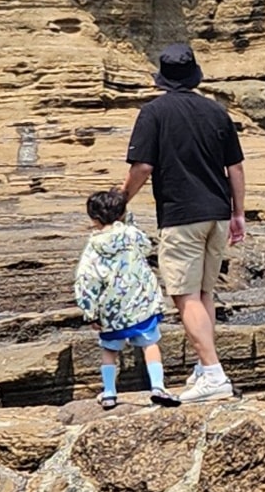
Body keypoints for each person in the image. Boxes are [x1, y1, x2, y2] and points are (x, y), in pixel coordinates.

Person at [119, 43, 247, 404]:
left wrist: (119, 203)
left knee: (184, 295)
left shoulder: (154, 113)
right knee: (205, 294)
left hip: (182, 215)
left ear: (162, 79)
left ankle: (213, 373)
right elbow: (234, 168)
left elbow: (143, 168)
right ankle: (204, 368)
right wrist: (239, 213)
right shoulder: (215, 112)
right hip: (218, 213)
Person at [74, 191, 171, 408]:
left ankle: (109, 392)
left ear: (93, 218)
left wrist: (89, 312)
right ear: (122, 214)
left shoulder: (93, 247)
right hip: (141, 304)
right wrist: (130, 222)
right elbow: (147, 246)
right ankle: (158, 386)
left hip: (111, 310)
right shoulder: (131, 234)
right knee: (150, 344)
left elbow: (85, 279)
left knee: (109, 350)